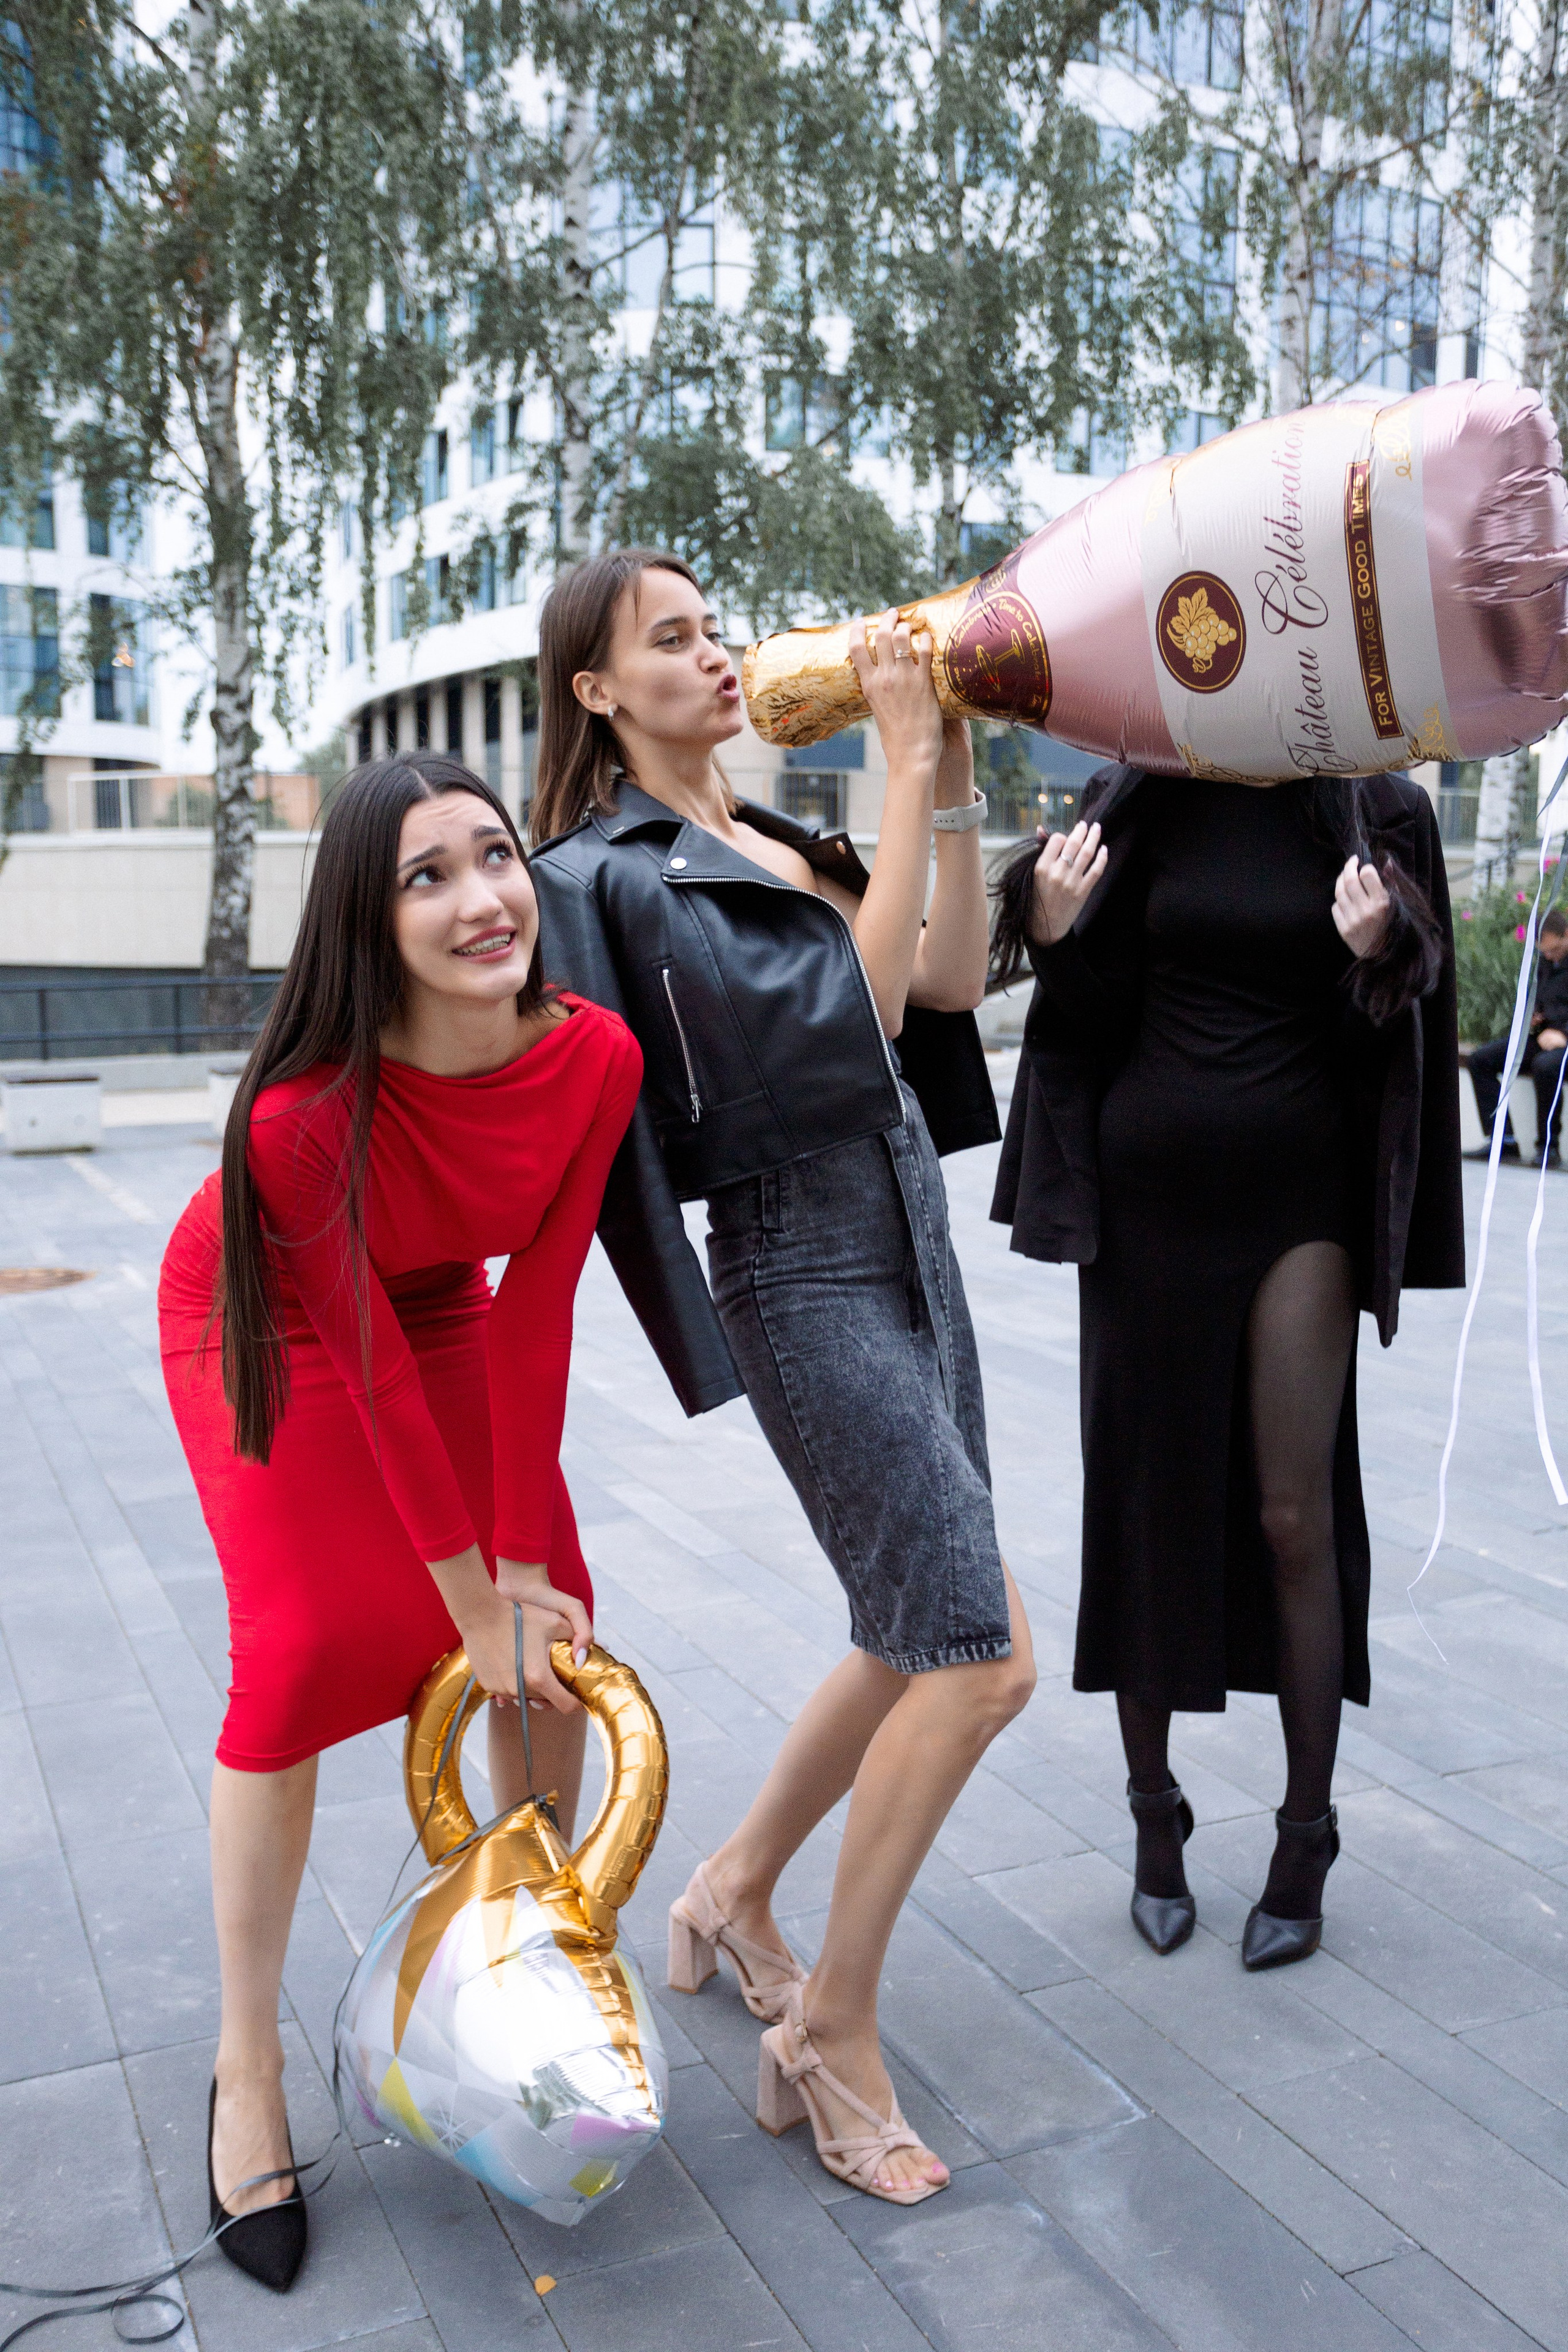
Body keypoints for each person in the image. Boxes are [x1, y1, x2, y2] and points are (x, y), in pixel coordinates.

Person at [526, 548, 1036, 2204]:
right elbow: (857, 1022)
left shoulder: (770, 835)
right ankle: (829, 2028)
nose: (715, 656)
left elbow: (945, 977)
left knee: (911, 1626)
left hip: (906, 1243)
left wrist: (942, 781)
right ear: (597, 689)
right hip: (795, 1262)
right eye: (669, 640)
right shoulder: (610, 872)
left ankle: (732, 1888)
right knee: (980, 1658)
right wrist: (897, 756)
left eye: (714, 628)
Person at [158, 756, 639, 2291]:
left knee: (551, 1634)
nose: (481, 898)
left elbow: (535, 1312)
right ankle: (247, 2065)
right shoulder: (301, 1114)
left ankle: (524, 1967)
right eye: (425, 876)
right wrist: (466, 1596)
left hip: (443, 1301)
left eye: (493, 855)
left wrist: (517, 1576)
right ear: (366, 920)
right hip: (267, 1313)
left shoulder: (595, 1054)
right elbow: (364, 1373)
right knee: (304, 1655)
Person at [990, 767, 1463, 1970]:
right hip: (1146, 1204)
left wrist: (1378, 958)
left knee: (1293, 1514)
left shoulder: (1376, 808)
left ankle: (1306, 1836)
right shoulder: (1137, 789)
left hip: (1301, 1198)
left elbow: (1392, 1047)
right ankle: (1155, 1815)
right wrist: (1053, 935)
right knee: (1143, 1503)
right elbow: (1094, 1014)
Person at [1464, 906, 1568, 1166]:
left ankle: (1549, 1147)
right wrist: (1533, 1016)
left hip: (1563, 1044)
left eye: (1554, 950)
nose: (1548, 956)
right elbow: (1541, 999)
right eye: (1543, 951)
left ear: (1567, 934)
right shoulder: (1546, 962)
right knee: (1480, 1060)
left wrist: (1564, 1036)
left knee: (1545, 1066)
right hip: (1542, 1038)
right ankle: (1503, 1141)